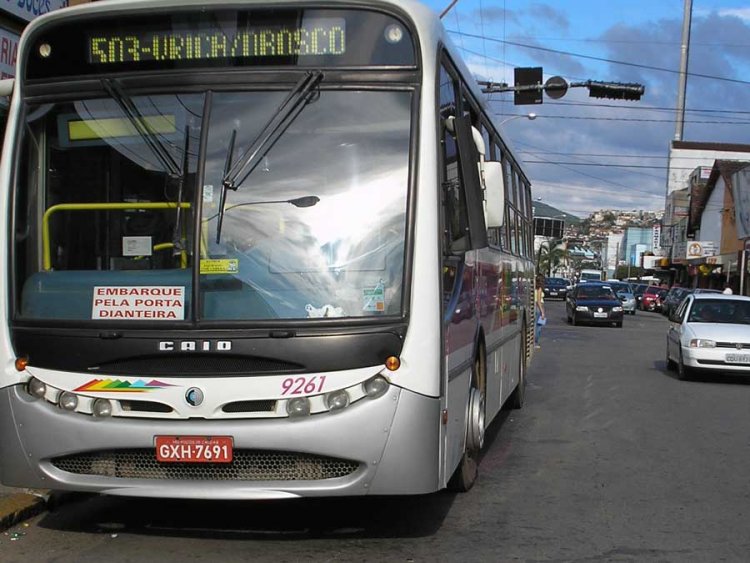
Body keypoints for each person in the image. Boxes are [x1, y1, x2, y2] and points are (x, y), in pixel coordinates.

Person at [534, 275, 546, 349]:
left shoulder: (534, 288)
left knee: (535, 325)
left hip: (535, 307)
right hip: (538, 308)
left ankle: (534, 342)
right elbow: (538, 301)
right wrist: (542, 312)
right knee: (538, 326)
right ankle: (535, 342)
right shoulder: (539, 289)